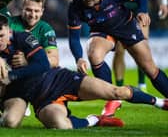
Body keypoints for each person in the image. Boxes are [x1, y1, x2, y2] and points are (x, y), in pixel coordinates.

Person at [0, 14, 167, 129]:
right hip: (40, 98)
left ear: (8, 31)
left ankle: (160, 102)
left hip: (60, 80)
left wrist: (13, 75)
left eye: (1, 35)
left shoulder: (23, 38)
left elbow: (43, 64)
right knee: (61, 125)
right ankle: (95, 120)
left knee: (117, 92)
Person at [67, 0, 168, 118]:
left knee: (150, 69)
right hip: (102, 32)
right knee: (93, 54)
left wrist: (142, 12)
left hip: (126, 26)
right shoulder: (75, 6)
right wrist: (78, 58)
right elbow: (74, 38)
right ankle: (113, 98)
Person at [100, 0, 168, 92]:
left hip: (140, 5)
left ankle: (142, 85)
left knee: (143, 46)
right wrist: (102, 0)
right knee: (120, 49)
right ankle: (119, 87)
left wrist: (164, 1)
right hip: (120, 6)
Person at [0, 0, 59, 125]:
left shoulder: (45, 29)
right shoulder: (8, 23)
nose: (32, 15)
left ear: (42, 11)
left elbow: (54, 60)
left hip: (31, 79)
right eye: (28, 10)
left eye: (36, 11)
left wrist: (29, 62)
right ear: (21, 8)